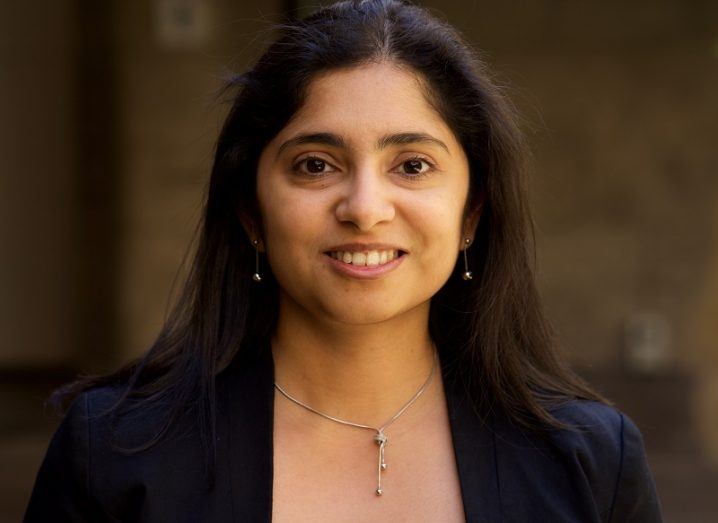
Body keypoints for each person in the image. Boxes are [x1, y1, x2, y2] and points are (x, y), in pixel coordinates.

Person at [25, 0, 662, 521]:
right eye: (315, 165)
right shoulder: (113, 453)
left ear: (471, 214)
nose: (364, 207)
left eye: (412, 166)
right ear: (251, 210)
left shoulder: (591, 464)